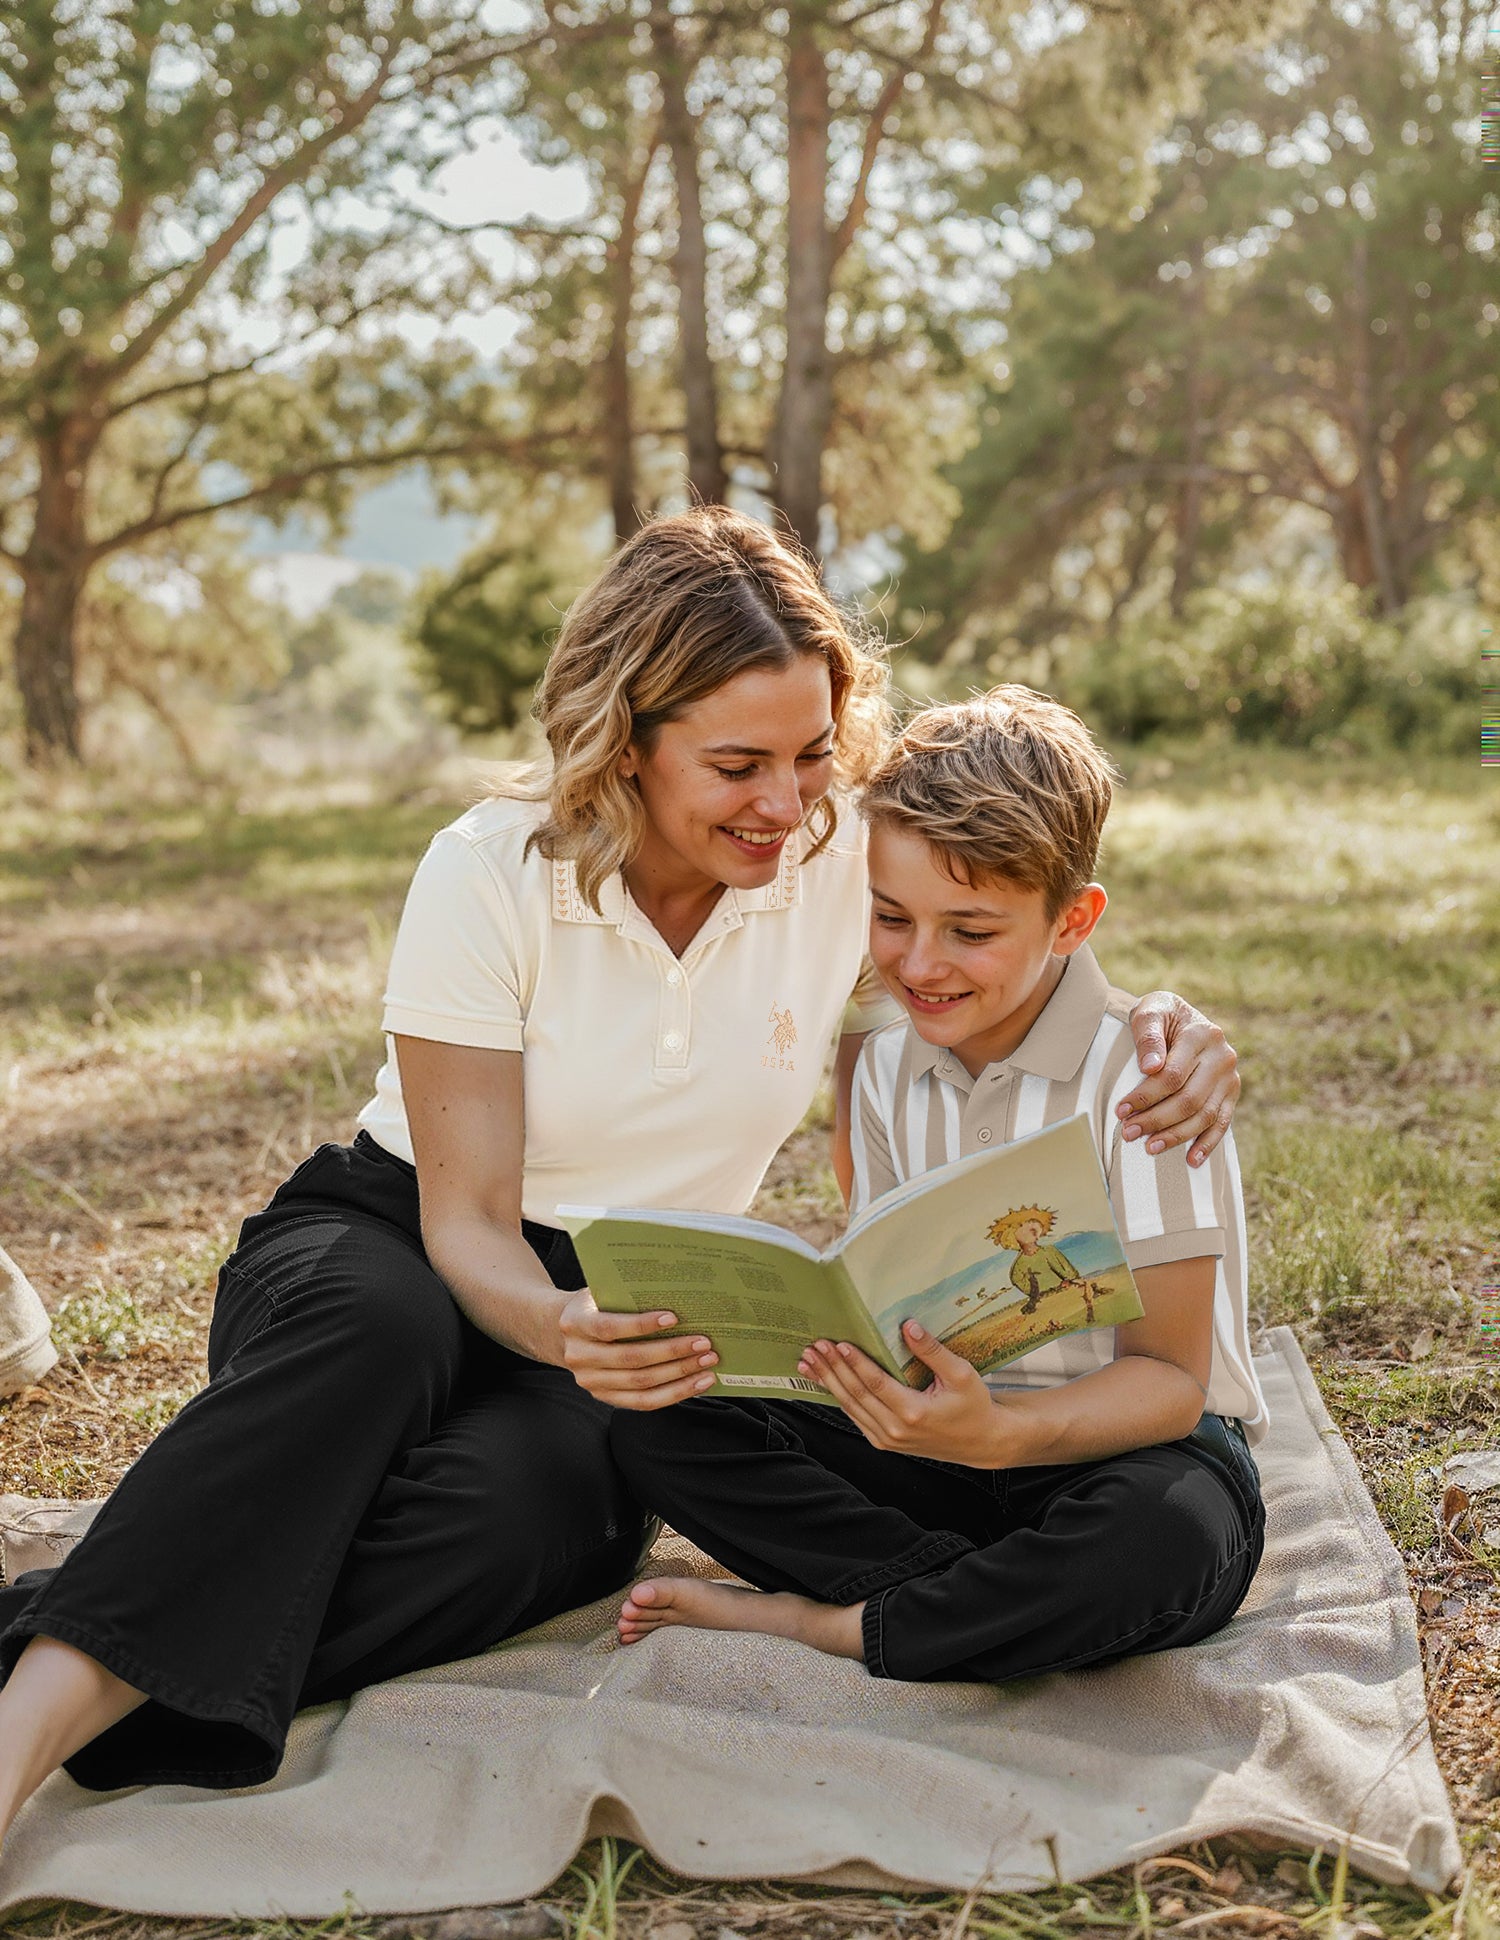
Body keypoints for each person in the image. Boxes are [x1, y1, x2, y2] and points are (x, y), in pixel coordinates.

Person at [0, 516, 1240, 1853]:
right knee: (381, 1333)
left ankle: (91, 1643)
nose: (786, 801)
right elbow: (467, 1221)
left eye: (813, 752)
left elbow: (1005, 910)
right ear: (626, 739)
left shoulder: (835, 861)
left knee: (532, 1517)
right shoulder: (491, 870)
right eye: (737, 765)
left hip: (630, 1302)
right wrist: (554, 1325)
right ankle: (24, 1730)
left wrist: (1171, 1029)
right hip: (402, 1240)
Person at [607, 685, 1268, 1684]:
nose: (920, 963)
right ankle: (973, 1605)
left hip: (1128, 1450)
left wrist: (1005, 1435)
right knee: (657, 1419)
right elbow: (894, 1302)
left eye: (971, 930)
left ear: (1072, 920)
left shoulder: (1149, 1080)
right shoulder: (883, 1068)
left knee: (1164, 1538)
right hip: (938, 1446)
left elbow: (1174, 1384)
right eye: (891, 916)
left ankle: (835, 1622)